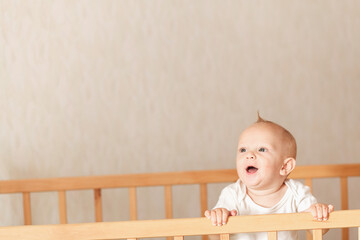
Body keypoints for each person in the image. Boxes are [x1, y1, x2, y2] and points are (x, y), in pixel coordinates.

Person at [204, 114, 334, 240]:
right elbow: (213, 235)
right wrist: (218, 219)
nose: (249, 154)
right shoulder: (233, 194)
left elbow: (319, 230)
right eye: (243, 150)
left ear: (285, 166)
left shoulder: (297, 193)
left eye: (262, 149)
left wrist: (318, 213)